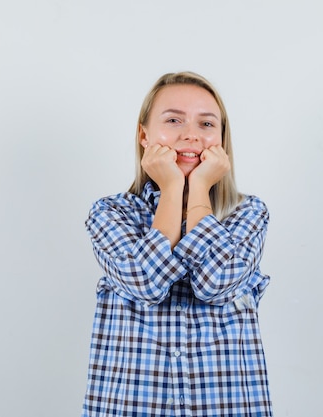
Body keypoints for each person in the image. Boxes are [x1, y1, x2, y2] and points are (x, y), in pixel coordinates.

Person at [82, 71, 273, 416]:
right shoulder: (111, 213)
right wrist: (172, 189)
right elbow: (145, 282)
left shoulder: (248, 213)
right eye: (173, 120)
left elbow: (216, 282)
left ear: (222, 139)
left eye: (206, 124)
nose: (190, 135)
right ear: (145, 135)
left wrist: (198, 189)